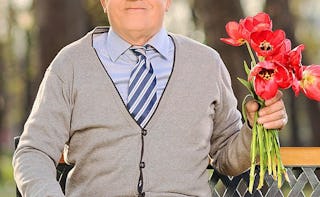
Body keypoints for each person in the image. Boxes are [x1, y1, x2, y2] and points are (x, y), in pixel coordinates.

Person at [13, 0, 288, 196]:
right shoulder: (70, 65)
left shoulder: (206, 63)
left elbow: (227, 157)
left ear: (168, 2)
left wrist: (256, 129)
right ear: (103, 1)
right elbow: (33, 151)